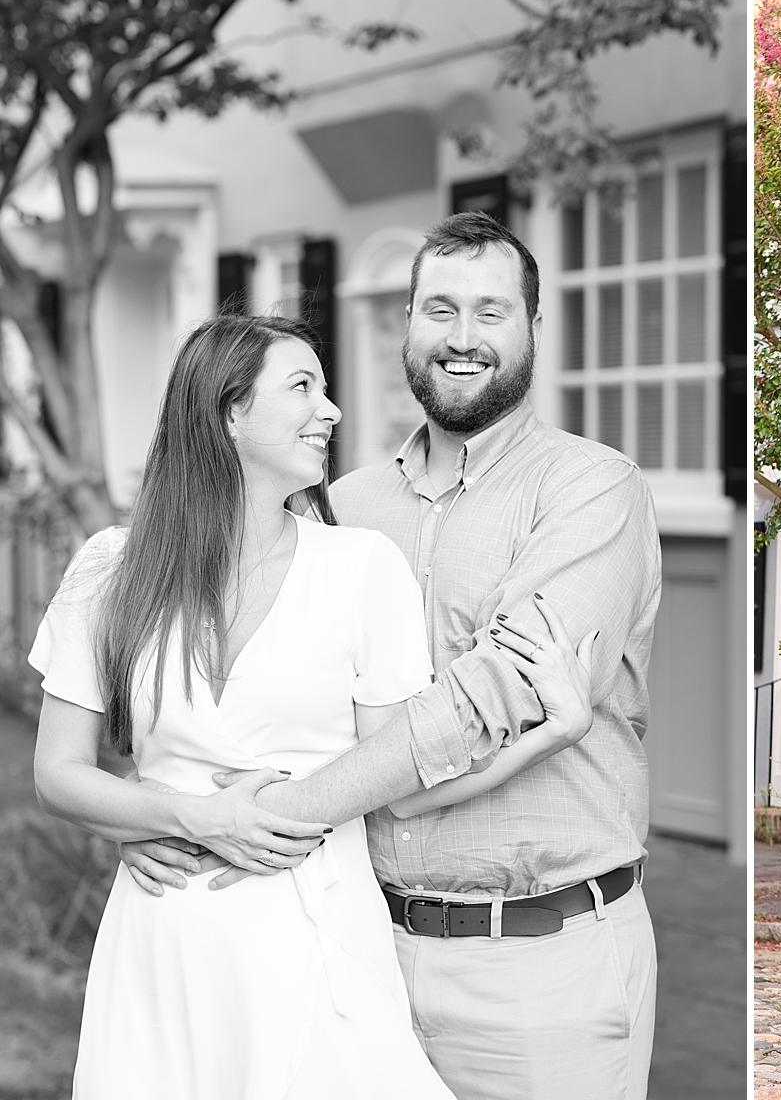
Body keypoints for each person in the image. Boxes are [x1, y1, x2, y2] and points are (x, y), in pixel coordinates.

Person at [123, 212, 663, 1100]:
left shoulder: (590, 488)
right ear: (405, 324)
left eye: (491, 312)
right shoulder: (338, 503)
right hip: (348, 951)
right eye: (439, 310)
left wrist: (260, 819)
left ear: (532, 328)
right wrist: (175, 819)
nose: (462, 338)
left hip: (534, 960)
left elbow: (494, 696)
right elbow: (266, 695)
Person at [30, 315, 598, 1098]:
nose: (331, 411)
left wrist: (550, 736)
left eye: (326, 389)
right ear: (228, 413)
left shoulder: (360, 568)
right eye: (303, 388)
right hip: (160, 941)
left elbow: (399, 778)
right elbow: (57, 772)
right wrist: (184, 818)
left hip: (312, 933)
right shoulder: (110, 567)